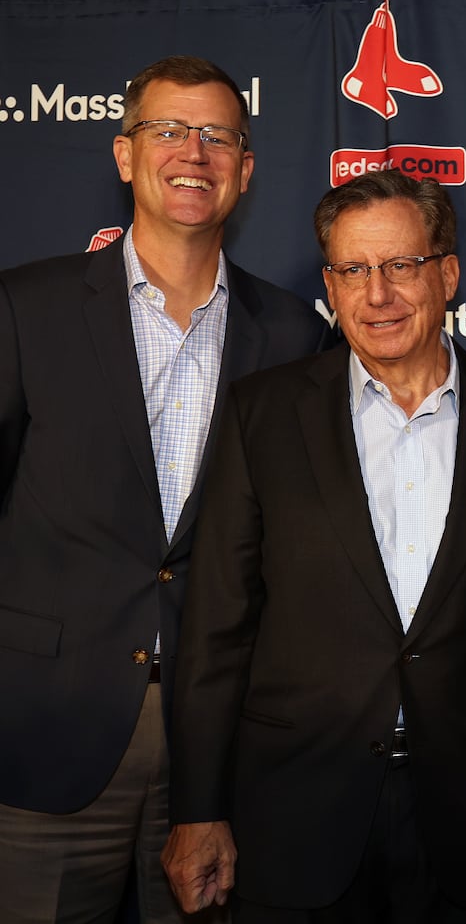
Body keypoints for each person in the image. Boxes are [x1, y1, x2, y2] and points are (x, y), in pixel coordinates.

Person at [161, 169, 466, 923]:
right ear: (330, 283)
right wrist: (198, 806)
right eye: (353, 271)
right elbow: (216, 628)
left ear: (448, 273)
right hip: (296, 815)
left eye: (401, 265)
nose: (377, 294)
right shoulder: (263, 414)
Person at [0, 54, 332, 922]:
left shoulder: (296, 334)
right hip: (44, 737)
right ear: (124, 154)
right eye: (170, 129)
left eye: (220, 135)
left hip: (221, 755)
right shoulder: (24, 308)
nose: (196, 152)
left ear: (247, 169)